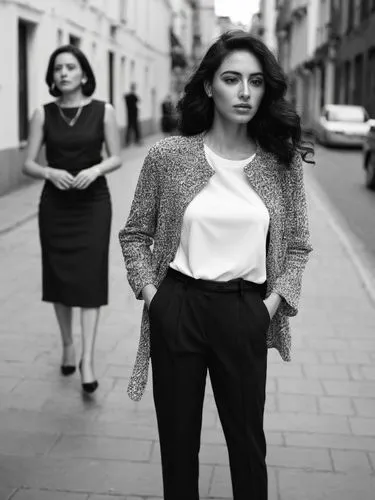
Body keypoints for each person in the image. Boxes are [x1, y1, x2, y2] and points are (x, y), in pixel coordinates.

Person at [119, 31, 314, 499]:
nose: (245, 92)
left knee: (248, 449)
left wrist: (269, 307)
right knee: (178, 448)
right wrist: (155, 298)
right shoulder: (169, 156)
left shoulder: (281, 162)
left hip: (245, 311)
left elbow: (298, 246)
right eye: (232, 79)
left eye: (255, 81)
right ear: (209, 86)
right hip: (178, 307)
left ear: (267, 89)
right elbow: (134, 235)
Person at [23, 45, 121, 394]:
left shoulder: (103, 110)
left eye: (70, 67)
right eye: (58, 68)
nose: (64, 73)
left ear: (84, 74)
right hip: (56, 205)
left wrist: (94, 169)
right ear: (52, 77)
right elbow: (28, 163)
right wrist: (50, 172)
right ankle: (67, 345)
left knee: (90, 278)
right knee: (59, 277)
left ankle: (88, 360)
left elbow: (116, 158)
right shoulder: (42, 113)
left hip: (93, 203)